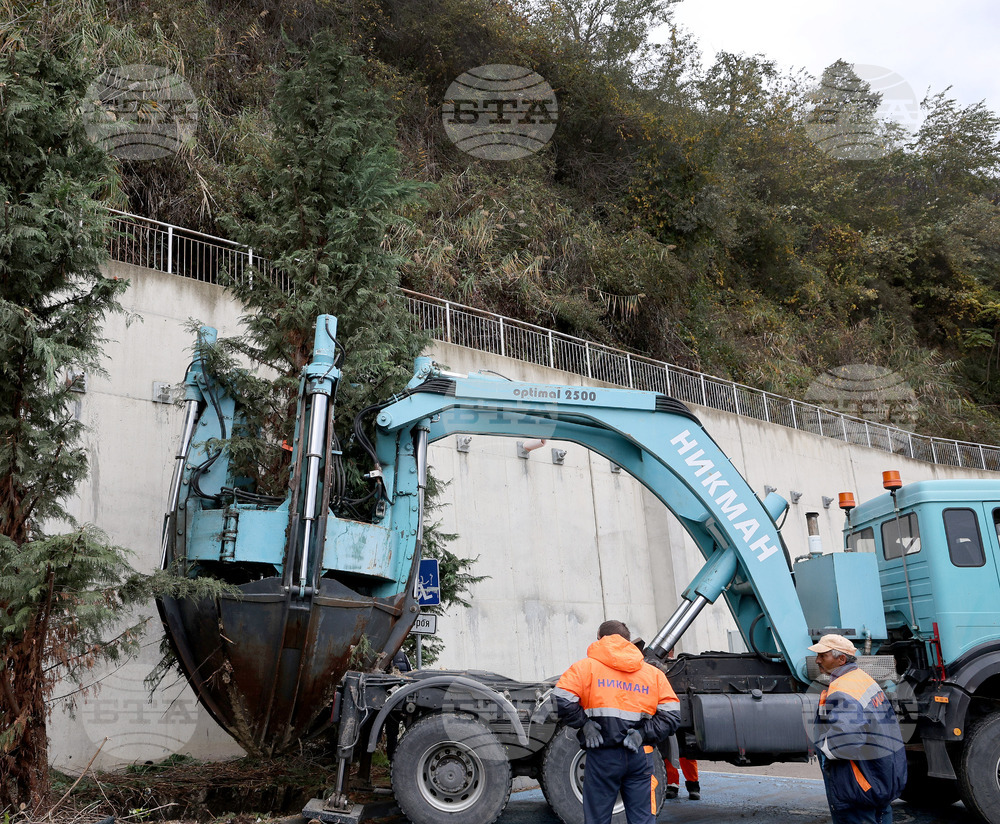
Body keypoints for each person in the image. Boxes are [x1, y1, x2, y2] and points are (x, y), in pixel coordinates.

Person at [554, 620, 681, 824]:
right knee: (642, 819)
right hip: (640, 755)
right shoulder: (653, 674)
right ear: (629, 642)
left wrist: (585, 724)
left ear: (600, 639)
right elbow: (672, 716)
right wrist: (642, 734)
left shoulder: (585, 668)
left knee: (597, 819)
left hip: (602, 755)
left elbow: (560, 699)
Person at [809, 634, 906, 824]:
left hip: (859, 785)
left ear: (841, 659)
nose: (817, 660)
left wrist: (822, 747)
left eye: (823, 655)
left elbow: (847, 741)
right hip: (877, 777)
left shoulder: (843, 688)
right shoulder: (862, 679)